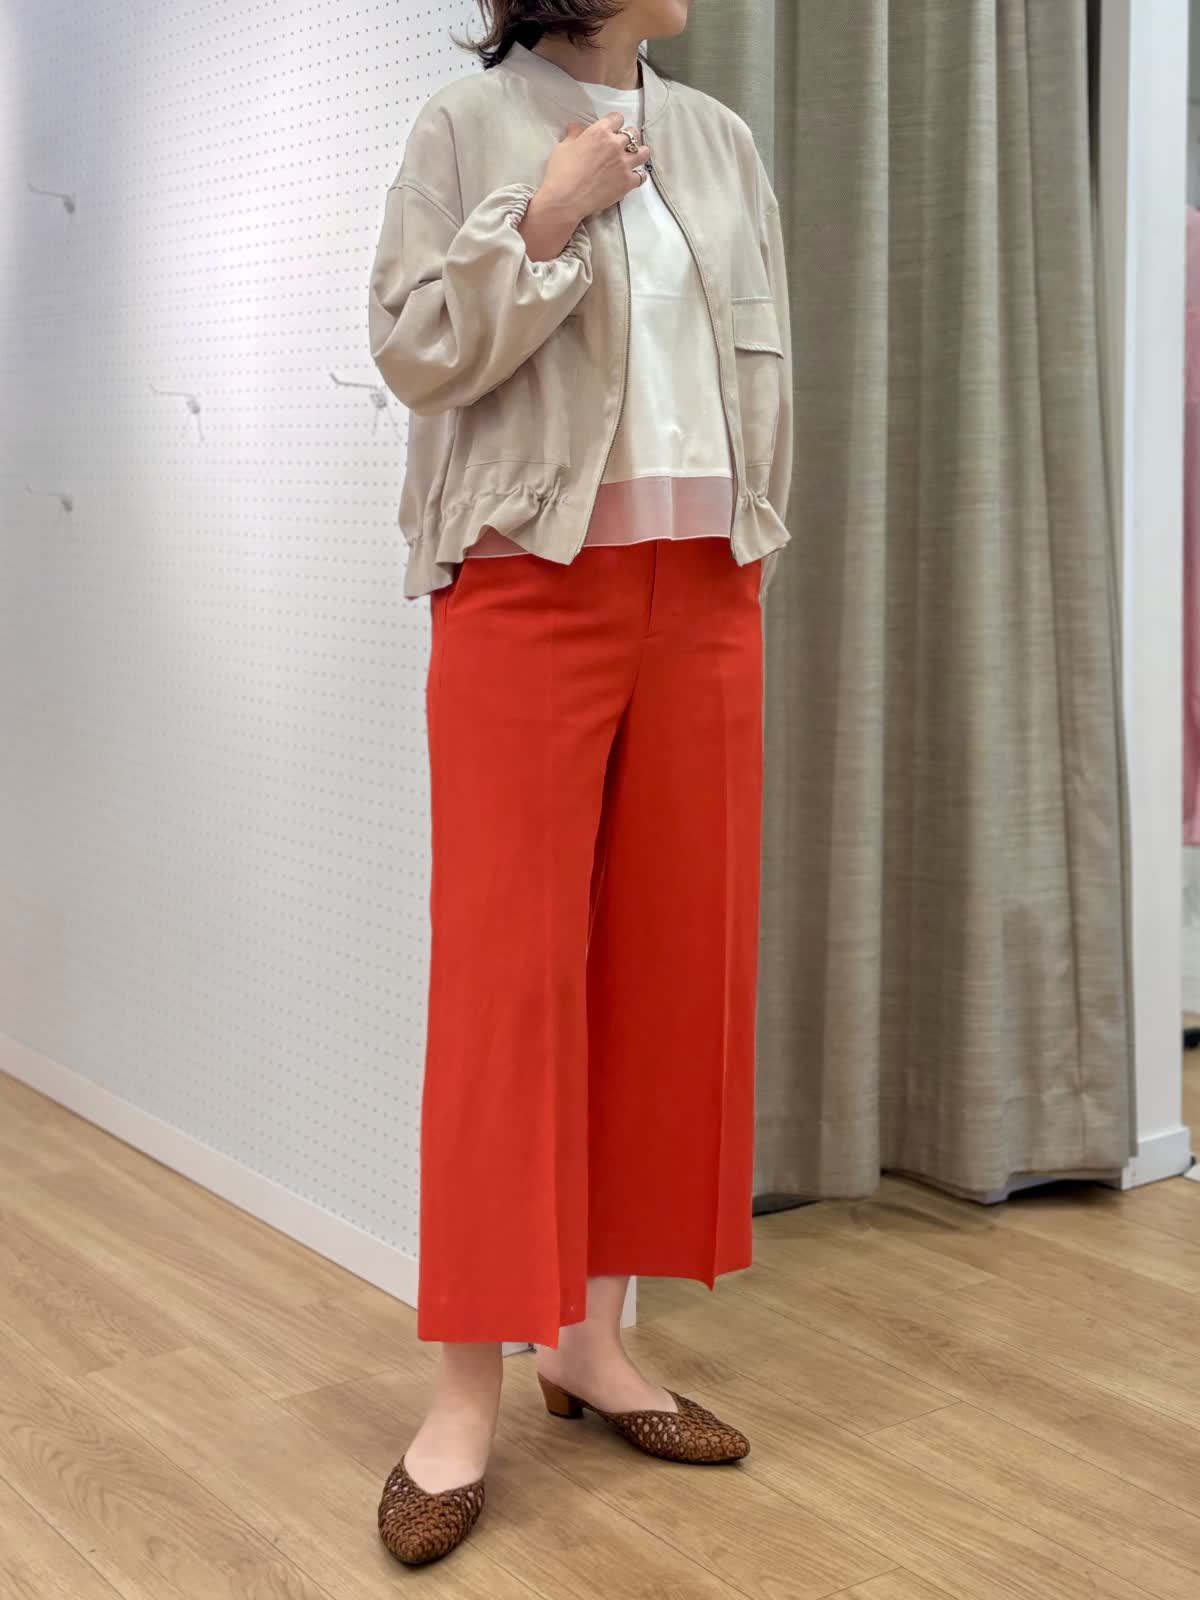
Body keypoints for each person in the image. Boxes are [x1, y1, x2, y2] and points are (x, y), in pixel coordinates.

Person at [368, 0, 792, 1565]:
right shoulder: (467, 128)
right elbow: (413, 352)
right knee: (508, 986)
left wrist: (755, 532)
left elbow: (760, 364)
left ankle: (593, 1344)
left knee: (669, 974)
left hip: (708, 589)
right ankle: (459, 1400)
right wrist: (541, 220)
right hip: (525, 585)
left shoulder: (721, 139)